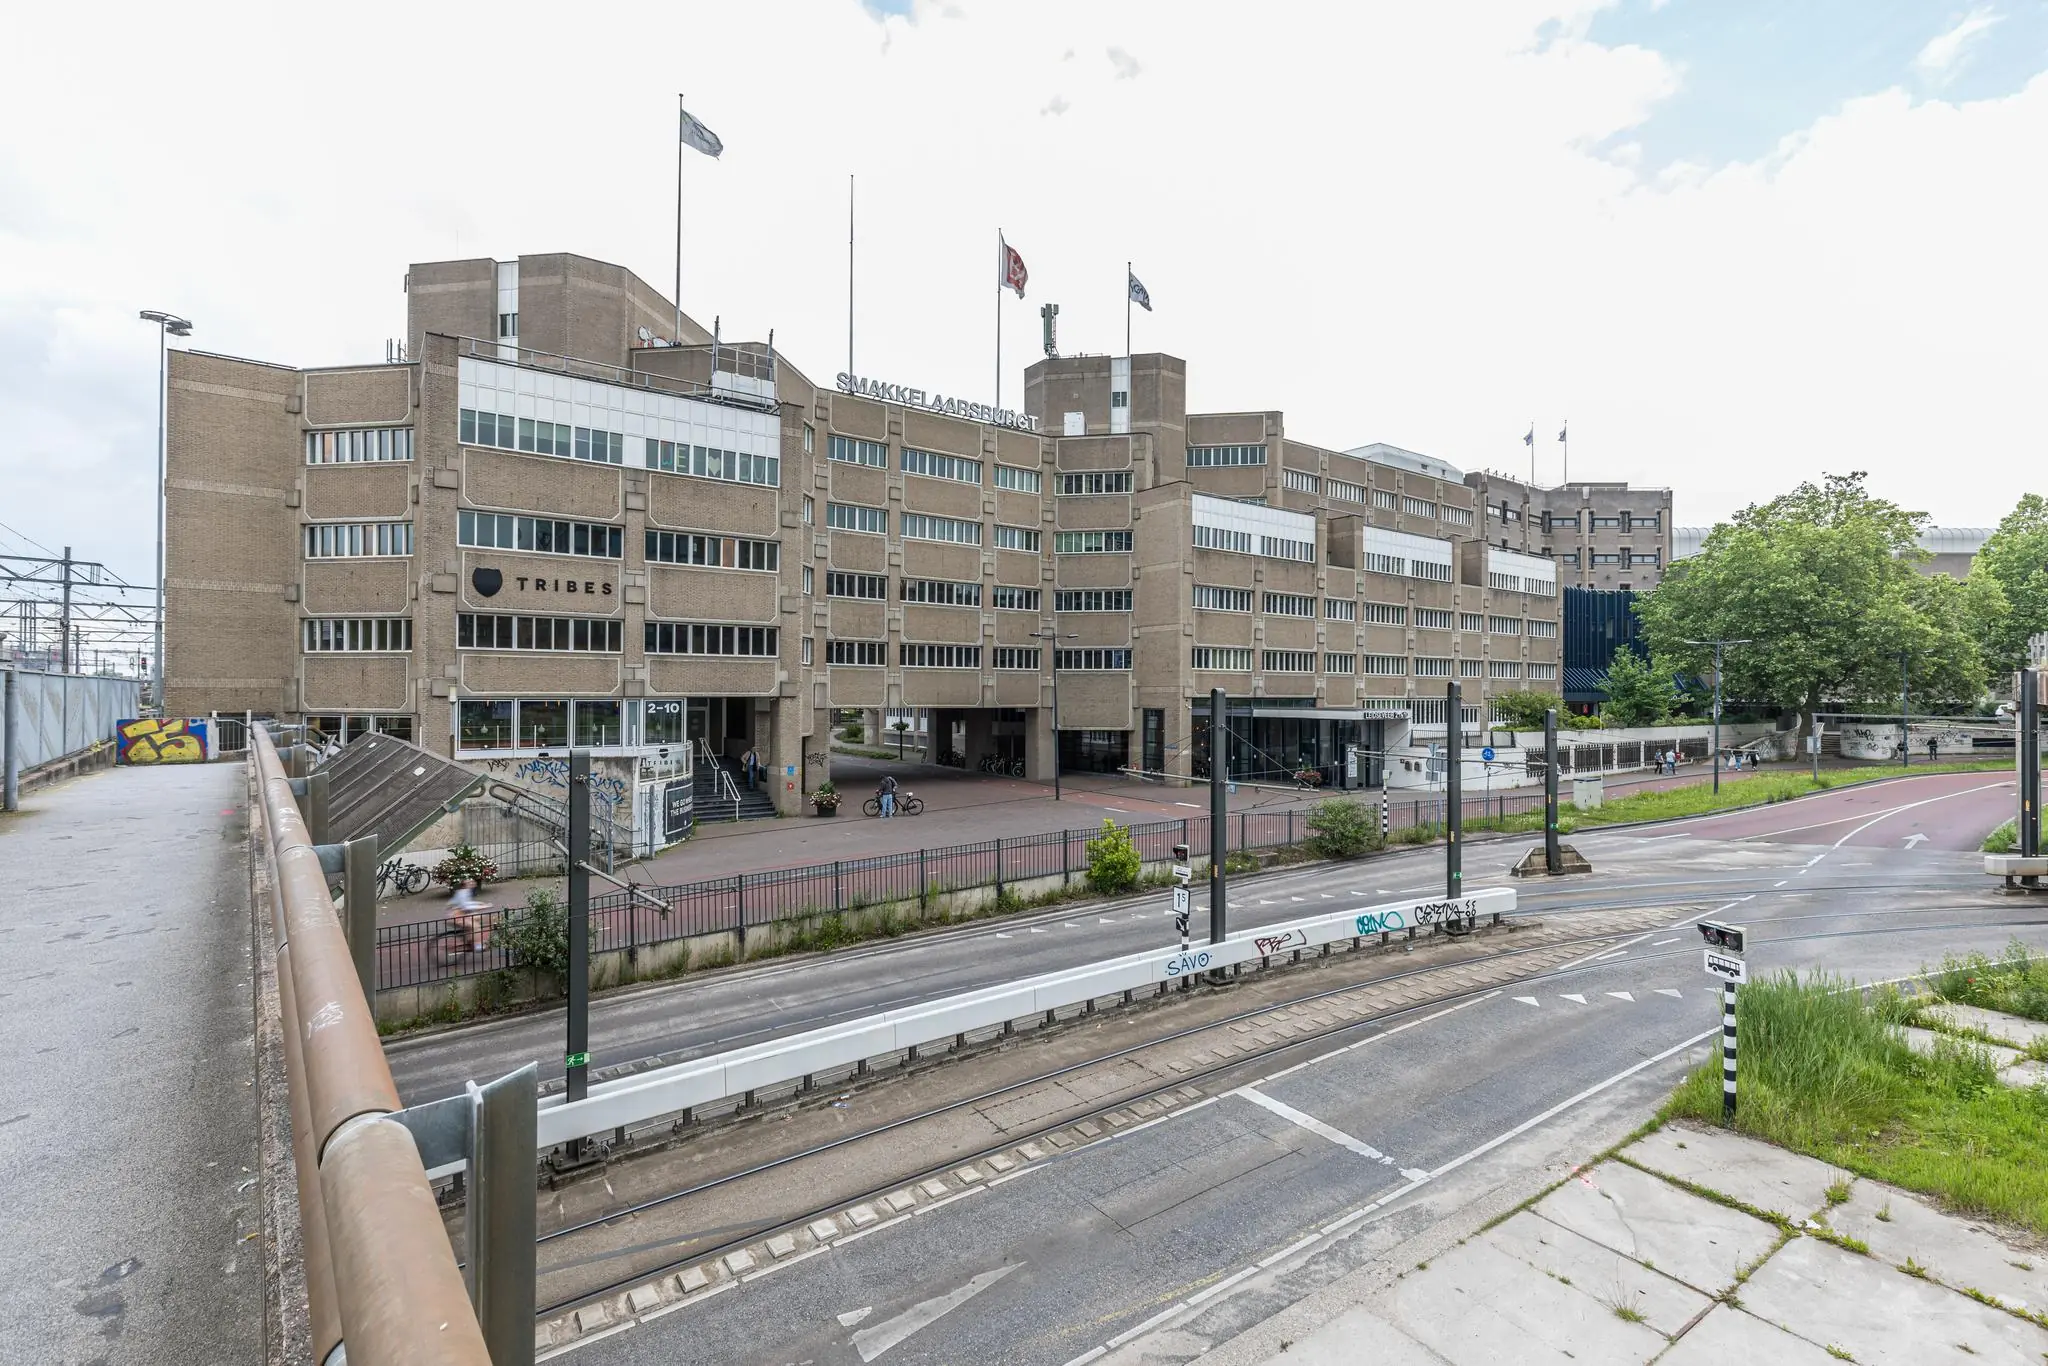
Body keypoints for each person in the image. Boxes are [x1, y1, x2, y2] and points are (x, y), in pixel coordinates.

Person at [449, 877, 493, 953]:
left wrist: (480, 903)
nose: (473, 883)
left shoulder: (465, 892)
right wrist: (482, 906)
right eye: (470, 883)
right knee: (475, 926)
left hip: (462, 914)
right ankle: (477, 945)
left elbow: (468, 903)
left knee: (481, 917)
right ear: (465, 885)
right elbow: (466, 907)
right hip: (456, 915)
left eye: (472, 882)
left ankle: (471, 939)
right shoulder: (463, 893)